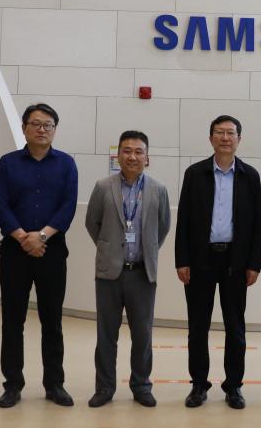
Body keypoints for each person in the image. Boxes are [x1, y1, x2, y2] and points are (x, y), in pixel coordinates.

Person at [176, 116, 261, 410]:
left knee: (235, 327)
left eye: (231, 133)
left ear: (239, 138)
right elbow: (184, 220)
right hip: (200, 259)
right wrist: (182, 260)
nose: (225, 138)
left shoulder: (250, 176)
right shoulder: (195, 173)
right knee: (197, 327)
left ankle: (234, 386)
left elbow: (257, 225)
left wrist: (254, 263)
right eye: (219, 132)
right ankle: (199, 384)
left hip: (235, 261)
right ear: (211, 137)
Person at [0, 103, 78, 408]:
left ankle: (54, 384)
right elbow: (0, 205)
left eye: (48, 125)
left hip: (51, 251)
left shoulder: (66, 163)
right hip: (14, 252)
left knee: (52, 321)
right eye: (36, 124)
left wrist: (41, 236)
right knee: (12, 321)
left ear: (55, 129)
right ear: (24, 128)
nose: (42, 130)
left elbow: (68, 206)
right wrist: (23, 237)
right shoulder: (8, 163)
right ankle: (12, 385)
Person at [84, 130, 170, 408]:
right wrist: (111, 250)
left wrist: (146, 250)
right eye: (127, 151)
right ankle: (104, 387)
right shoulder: (102, 186)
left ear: (147, 157)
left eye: (138, 151)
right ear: (118, 155)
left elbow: (163, 226)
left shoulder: (158, 189)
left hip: (142, 273)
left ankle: (141, 386)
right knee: (106, 335)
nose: (132, 156)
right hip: (109, 273)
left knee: (142, 335)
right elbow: (92, 223)